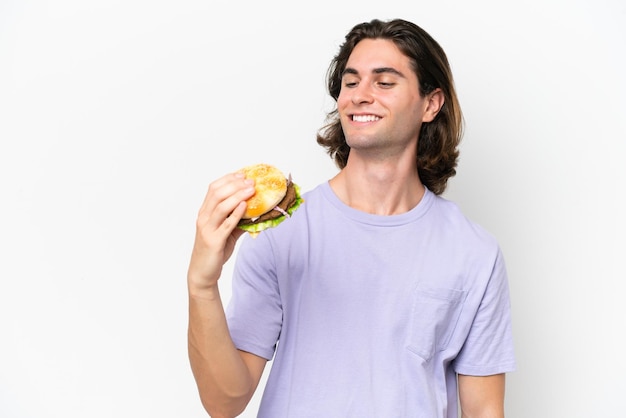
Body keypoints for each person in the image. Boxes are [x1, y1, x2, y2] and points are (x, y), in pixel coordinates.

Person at [187, 18, 516, 418]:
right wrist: (202, 285)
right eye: (351, 81)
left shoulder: (473, 252)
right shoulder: (282, 231)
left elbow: (484, 411)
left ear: (431, 103)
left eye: (384, 82)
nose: (360, 95)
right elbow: (224, 402)